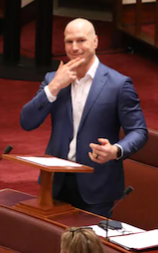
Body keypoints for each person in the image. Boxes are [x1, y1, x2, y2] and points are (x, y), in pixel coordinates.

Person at [20, 18, 148, 216]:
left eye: (81, 41)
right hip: (55, 183)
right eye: (69, 42)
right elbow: (27, 122)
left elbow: (139, 131)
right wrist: (53, 87)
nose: (75, 47)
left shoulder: (118, 84)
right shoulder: (53, 79)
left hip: (96, 185)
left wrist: (116, 150)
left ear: (95, 42)